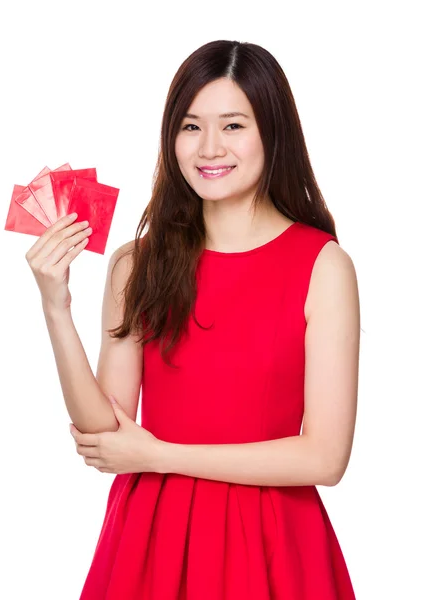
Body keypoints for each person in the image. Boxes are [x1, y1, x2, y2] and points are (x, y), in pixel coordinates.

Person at [26, 40, 360, 599]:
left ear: (272, 133)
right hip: (151, 539)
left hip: (273, 539)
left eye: (233, 125)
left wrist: (159, 455)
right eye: (190, 126)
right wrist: (55, 306)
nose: (209, 147)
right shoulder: (137, 264)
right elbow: (105, 434)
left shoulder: (322, 265)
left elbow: (325, 457)